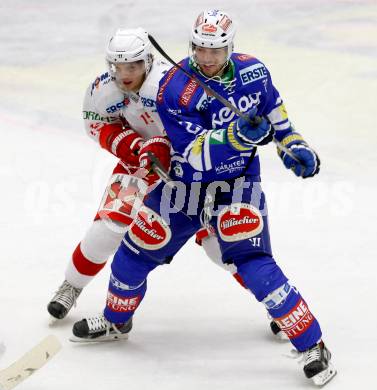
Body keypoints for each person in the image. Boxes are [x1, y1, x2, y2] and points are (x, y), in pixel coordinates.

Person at [47, 26, 284, 339]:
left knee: (220, 247)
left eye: (132, 66)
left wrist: (164, 146)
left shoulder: (173, 83)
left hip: (191, 174)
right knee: (106, 230)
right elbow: (97, 124)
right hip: (138, 167)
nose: (124, 74)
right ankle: (71, 286)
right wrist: (133, 146)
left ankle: (275, 305)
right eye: (118, 66)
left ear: (147, 61)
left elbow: (203, 131)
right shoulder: (103, 89)